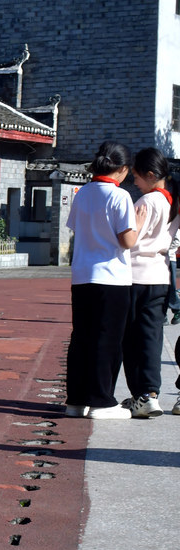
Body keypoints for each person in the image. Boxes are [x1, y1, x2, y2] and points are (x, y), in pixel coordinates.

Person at [65, 142, 140, 420]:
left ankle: (76, 399)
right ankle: (101, 400)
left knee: (81, 337)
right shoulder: (120, 196)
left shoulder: (82, 193)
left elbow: (75, 229)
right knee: (107, 340)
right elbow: (127, 240)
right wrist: (139, 227)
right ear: (123, 169)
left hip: (82, 275)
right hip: (112, 277)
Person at [122, 148, 177, 417]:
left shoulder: (146, 202)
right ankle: (151, 393)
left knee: (131, 339)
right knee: (152, 337)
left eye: (137, 177)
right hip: (160, 275)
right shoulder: (172, 203)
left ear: (151, 175)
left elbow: (130, 238)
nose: (134, 182)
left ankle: (140, 395)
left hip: (134, 275)